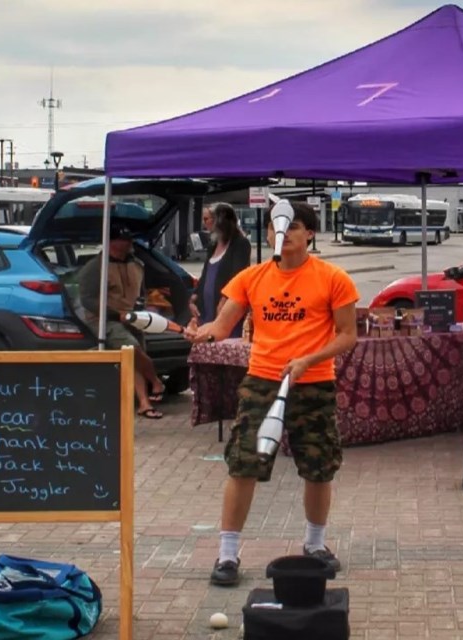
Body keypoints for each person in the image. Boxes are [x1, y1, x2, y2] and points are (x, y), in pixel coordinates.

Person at [190, 201, 359, 586]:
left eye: (293, 227)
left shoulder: (334, 278)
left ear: (310, 234)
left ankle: (315, 545)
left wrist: (308, 360)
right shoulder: (251, 278)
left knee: (318, 466)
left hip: (313, 382)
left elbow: (348, 336)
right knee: (243, 463)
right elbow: (223, 323)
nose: (280, 234)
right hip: (262, 381)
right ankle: (227, 555)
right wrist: (203, 332)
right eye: (273, 227)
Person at [78, 224, 166, 419]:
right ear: (111, 243)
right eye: (123, 240)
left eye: (129, 239)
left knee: (135, 359)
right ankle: (156, 381)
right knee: (132, 348)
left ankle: (144, 403)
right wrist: (114, 315)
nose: (128, 243)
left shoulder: (137, 264)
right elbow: (87, 299)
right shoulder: (95, 267)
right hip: (104, 319)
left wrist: (144, 309)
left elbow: (141, 292)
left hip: (132, 316)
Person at [188, 203, 252, 334]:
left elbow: (238, 275)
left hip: (225, 307)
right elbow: (205, 273)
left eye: (206, 219)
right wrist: (194, 295)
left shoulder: (240, 244)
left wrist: (225, 298)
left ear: (220, 220)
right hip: (206, 308)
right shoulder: (214, 244)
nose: (204, 223)